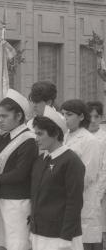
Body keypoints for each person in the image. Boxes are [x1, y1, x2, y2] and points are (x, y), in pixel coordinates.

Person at [30, 106, 85, 250]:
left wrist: (65, 237)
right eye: (35, 134)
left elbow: (75, 202)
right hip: (40, 233)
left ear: (55, 134)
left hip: (61, 237)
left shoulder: (71, 161)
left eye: (40, 134)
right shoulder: (41, 160)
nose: (36, 139)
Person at [0, 89, 38, 250]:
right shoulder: (5, 136)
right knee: (4, 244)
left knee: (18, 245)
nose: (0, 120)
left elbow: (21, 173)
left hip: (19, 201)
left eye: (4, 116)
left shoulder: (29, 140)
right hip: (2, 199)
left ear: (19, 116)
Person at [61, 99, 102, 250]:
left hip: (82, 198)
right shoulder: (65, 136)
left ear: (81, 117)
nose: (65, 117)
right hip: (65, 199)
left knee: (83, 242)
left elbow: (87, 176)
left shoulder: (89, 140)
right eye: (63, 114)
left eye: (69, 114)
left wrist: (63, 188)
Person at [87, 101, 106, 244]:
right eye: (90, 116)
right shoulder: (77, 135)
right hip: (81, 190)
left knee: (97, 232)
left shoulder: (104, 138)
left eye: (96, 116)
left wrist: (98, 194)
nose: (93, 120)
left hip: (99, 192)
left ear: (101, 117)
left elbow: (104, 169)